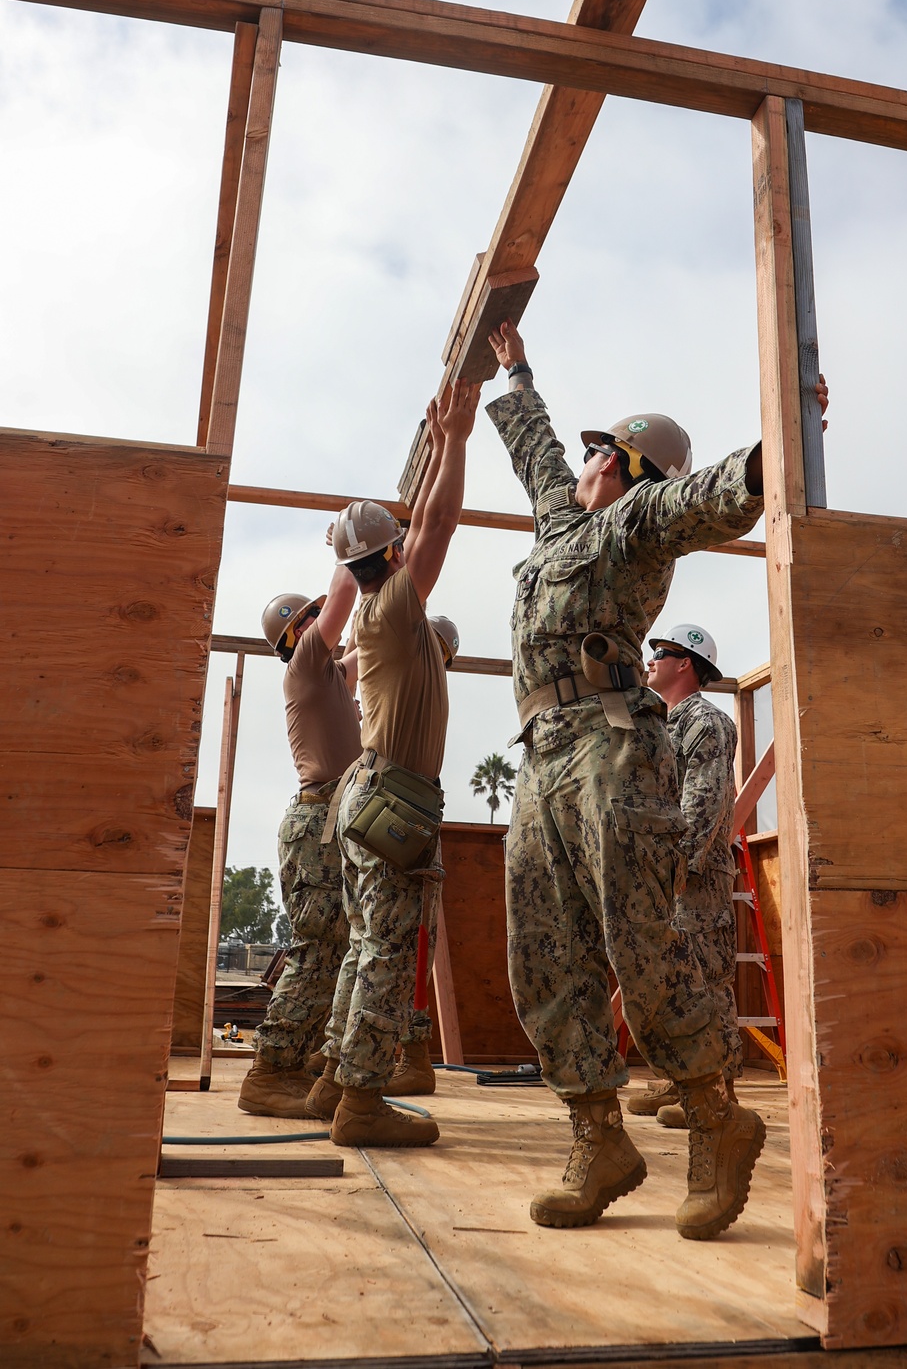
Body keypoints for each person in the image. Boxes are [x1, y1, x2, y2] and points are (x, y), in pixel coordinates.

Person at [485, 320, 826, 1237]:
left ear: (631, 467)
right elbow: (535, 455)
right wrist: (516, 373)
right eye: (589, 449)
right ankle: (598, 1135)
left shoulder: (637, 523)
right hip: (543, 755)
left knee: (640, 943)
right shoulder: (561, 521)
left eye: (602, 449)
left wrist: (775, 450)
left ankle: (717, 1120)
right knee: (543, 952)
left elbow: (710, 495)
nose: (585, 460)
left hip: (611, 747)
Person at [306, 380, 479, 1148]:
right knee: (383, 949)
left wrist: (441, 445)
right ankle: (361, 1104)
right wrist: (456, 441)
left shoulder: (383, 620)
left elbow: (425, 530)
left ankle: (333, 1080)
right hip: (391, 798)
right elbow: (441, 522)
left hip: (365, 795)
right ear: (395, 555)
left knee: (362, 944)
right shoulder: (393, 607)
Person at [239, 562, 361, 1118]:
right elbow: (344, 591)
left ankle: (300, 1057)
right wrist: (356, 541)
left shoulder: (329, 675)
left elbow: (365, 637)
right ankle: (268, 1073)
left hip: (331, 823)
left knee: (334, 951)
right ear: (299, 634)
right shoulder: (309, 661)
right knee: (317, 952)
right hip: (319, 827)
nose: (325, 621)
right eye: (312, 618)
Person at [627, 625, 742, 1128]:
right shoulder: (658, 724)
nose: (652, 660)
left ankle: (719, 1091)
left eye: (663, 653)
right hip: (662, 874)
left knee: (706, 977)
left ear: (686, 665)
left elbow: (705, 804)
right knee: (672, 980)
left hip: (694, 876)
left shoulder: (707, 723)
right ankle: (683, 1079)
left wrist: (675, 868)